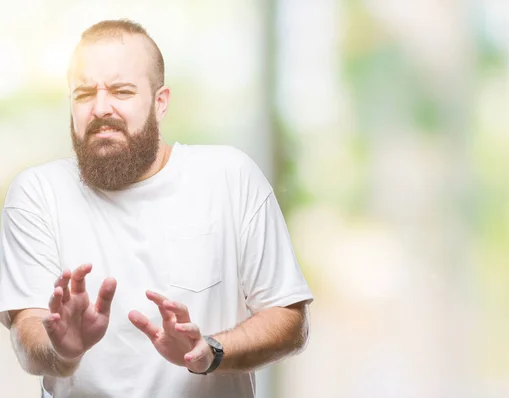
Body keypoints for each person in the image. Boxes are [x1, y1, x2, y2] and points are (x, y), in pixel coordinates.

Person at [0, 19, 313, 398]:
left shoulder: (230, 177)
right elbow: (28, 332)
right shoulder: (37, 193)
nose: (101, 108)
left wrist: (210, 351)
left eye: (122, 90)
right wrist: (62, 351)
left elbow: (289, 321)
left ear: (160, 102)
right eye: (84, 94)